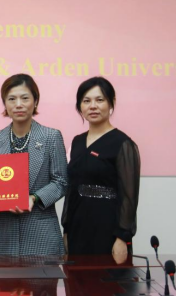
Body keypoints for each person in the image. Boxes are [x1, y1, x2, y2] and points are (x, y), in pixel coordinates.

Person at [0, 74, 68, 256]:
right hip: (3, 234)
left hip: (41, 232)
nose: (18, 104)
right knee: (3, 276)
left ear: (35, 101)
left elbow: (61, 182)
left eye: (25, 98)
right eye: (12, 99)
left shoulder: (51, 137)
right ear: (5, 104)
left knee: (41, 276)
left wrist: (34, 198)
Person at [62, 77, 140, 261]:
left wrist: (122, 237)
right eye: (86, 101)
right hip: (77, 227)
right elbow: (71, 189)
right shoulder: (77, 142)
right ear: (80, 106)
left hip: (108, 229)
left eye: (99, 100)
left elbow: (129, 196)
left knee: (108, 278)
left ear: (111, 103)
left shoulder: (123, 143)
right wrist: (66, 229)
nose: (93, 106)